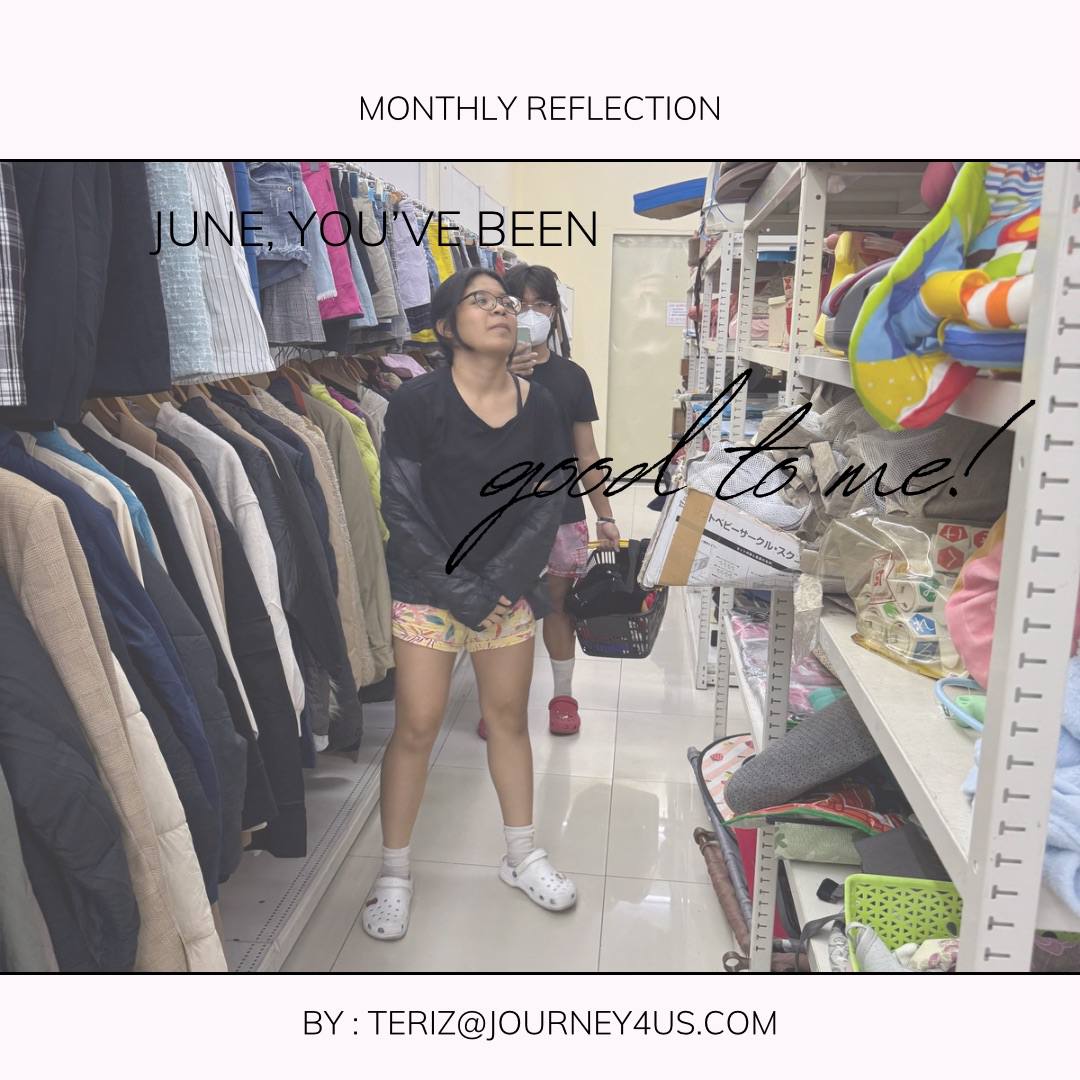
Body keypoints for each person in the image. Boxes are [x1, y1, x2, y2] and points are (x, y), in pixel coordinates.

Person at [365, 268, 575, 941]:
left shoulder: (541, 405)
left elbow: (546, 502)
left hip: (505, 593)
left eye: (505, 301)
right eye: (480, 301)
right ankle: (394, 872)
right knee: (417, 726)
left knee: (508, 719)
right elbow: (400, 505)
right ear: (445, 326)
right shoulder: (416, 402)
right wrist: (459, 589)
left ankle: (521, 855)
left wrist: (501, 585)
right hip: (429, 589)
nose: (500, 310)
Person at [480, 263, 619, 739]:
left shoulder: (571, 378)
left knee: (558, 607)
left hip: (561, 511)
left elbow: (587, 452)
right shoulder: (480, 374)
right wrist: (501, 377)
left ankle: (563, 697)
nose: (531, 314)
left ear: (555, 313)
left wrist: (605, 515)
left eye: (541, 304)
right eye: (519, 304)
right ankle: (501, 702)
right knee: (501, 608)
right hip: (499, 516)